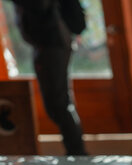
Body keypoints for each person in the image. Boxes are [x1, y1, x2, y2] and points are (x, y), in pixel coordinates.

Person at [13, 0, 88, 155]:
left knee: (58, 104)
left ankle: (77, 155)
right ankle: (77, 154)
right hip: (51, 42)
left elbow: (38, 5)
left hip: (52, 42)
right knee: (58, 103)